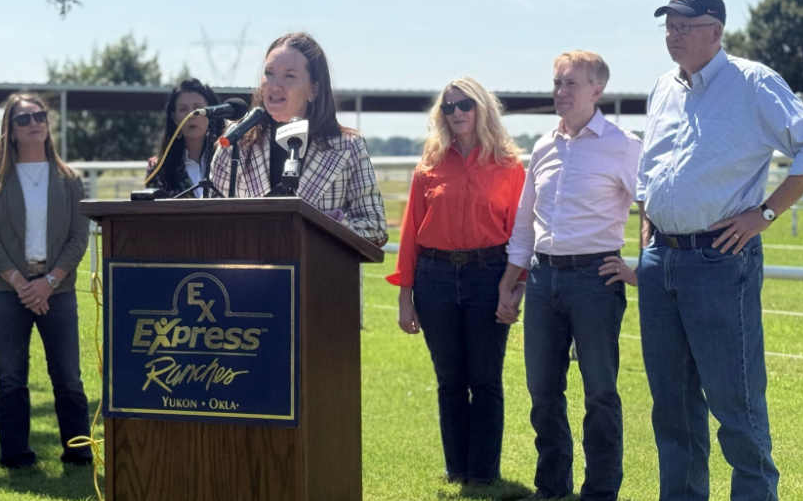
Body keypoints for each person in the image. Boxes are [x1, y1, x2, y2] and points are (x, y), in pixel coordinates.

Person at [636, 0, 803, 501]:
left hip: (719, 257)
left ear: (716, 30)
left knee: (735, 399)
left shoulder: (753, 83)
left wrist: (767, 212)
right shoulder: (663, 87)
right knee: (672, 403)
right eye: (669, 24)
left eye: (686, 25)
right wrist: (649, 223)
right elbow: (651, 167)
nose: (674, 34)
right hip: (659, 257)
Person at [496, 51, 641, 501]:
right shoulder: (542, 146)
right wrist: (511, 280)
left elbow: (653, 207)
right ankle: (551, 489)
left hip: (596, 279)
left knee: (599, 392)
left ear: (597, 90)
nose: (560, 92)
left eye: (571, 84)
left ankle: (600, 491)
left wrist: (641, 267)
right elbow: (525, 221)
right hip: (542, 279)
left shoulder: (623, 144)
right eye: (557, 83)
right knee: (542, 391)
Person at [387, 77, 525, 485]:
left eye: (465, 104)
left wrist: (515, 288)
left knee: (485, 379)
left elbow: (520, 233)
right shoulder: (428, 166)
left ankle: (484, 474)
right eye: (449, 107)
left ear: (482, 108)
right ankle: (457, 470)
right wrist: (404, 297)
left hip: (489, 277)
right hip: (435, 279)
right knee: (450, 381)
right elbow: (410, 232)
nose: (457, 112)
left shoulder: (509, 166)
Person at [0, 93, 93, 469]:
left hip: (57, 290)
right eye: (23, 120)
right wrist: (21, 283)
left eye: (39, 116)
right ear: (9, 130)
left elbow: (78, 236)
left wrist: (50, 282)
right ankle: (17, 455)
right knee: (10, 377)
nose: (34, 123)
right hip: (8, 293)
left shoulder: (68, 179)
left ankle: (78, 453)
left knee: (68, 377)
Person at [210, 32, 388, 245]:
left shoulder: (348, 146)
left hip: (320, 274)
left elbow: (375, 227)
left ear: (313, 90)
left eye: (289, 76)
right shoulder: (235, 141)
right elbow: (208, 220)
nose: (275, 85)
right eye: (269, 73)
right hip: (249, 274)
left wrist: (329, 228)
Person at [146, 78, 225, 197]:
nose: (191, 115)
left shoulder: (229, 160)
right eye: (183, 109)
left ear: (212, 114)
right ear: (174, 118)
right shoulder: (159, 168)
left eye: (198, 108)